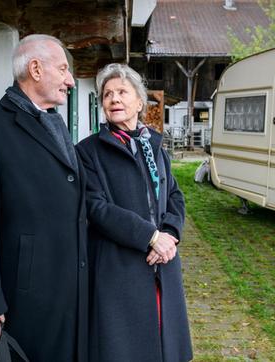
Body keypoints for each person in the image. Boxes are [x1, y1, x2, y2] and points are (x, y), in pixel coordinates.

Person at [0, 34, 88, 361]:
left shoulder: (57, 125)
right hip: (25, 301)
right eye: (64, 69)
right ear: (36, 69)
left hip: (72, 292)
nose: (70, 81)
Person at [76, 63, 193, 362]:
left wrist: (170, 235)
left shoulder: (154, 147)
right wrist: (150, 237)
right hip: (120, 269)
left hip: (162, 264)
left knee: (164, 345)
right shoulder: (88, 151)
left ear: (139, 102)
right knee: (125, 350)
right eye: (107, 94)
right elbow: (96, 207)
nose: (114, 99)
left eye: (122, 92)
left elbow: (175, 196)